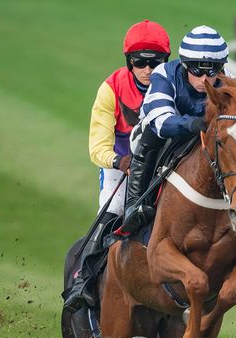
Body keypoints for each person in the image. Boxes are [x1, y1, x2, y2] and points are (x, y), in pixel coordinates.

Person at [118, 25, 236, 244]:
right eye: (197, 70)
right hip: (164, 133)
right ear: (185, 65)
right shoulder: (164, 75)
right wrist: (193, 123)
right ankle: (134, 205)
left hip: (206, 133)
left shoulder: (228, 80)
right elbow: (161, 120)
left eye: (211, 70)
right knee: (148, 137)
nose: (204, 78)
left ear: (221, 68)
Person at [63, 20, 171, 311]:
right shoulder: (111, 89)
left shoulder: (173, 85)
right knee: (113, 212)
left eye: (156, 62)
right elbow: (97, 146)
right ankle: (83, 280)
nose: (148, 69)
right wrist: (119, 160)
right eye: (140, 62)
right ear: (129, 62)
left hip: (163, 166)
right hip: (121, 166)